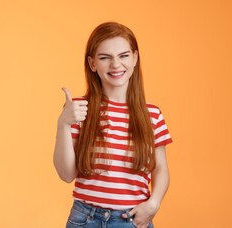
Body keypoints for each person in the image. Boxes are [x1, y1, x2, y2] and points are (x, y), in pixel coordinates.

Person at [53, 22, 173, 228]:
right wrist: (63, 124)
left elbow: (160, 168)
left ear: (135, 58)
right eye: (105, 57)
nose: (116, 65)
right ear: (92, 64)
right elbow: (66, 174)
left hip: (133, 220)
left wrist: (153, 204)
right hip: (85, 219)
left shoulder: (152, 114)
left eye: (124, 55)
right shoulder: (79, 110)